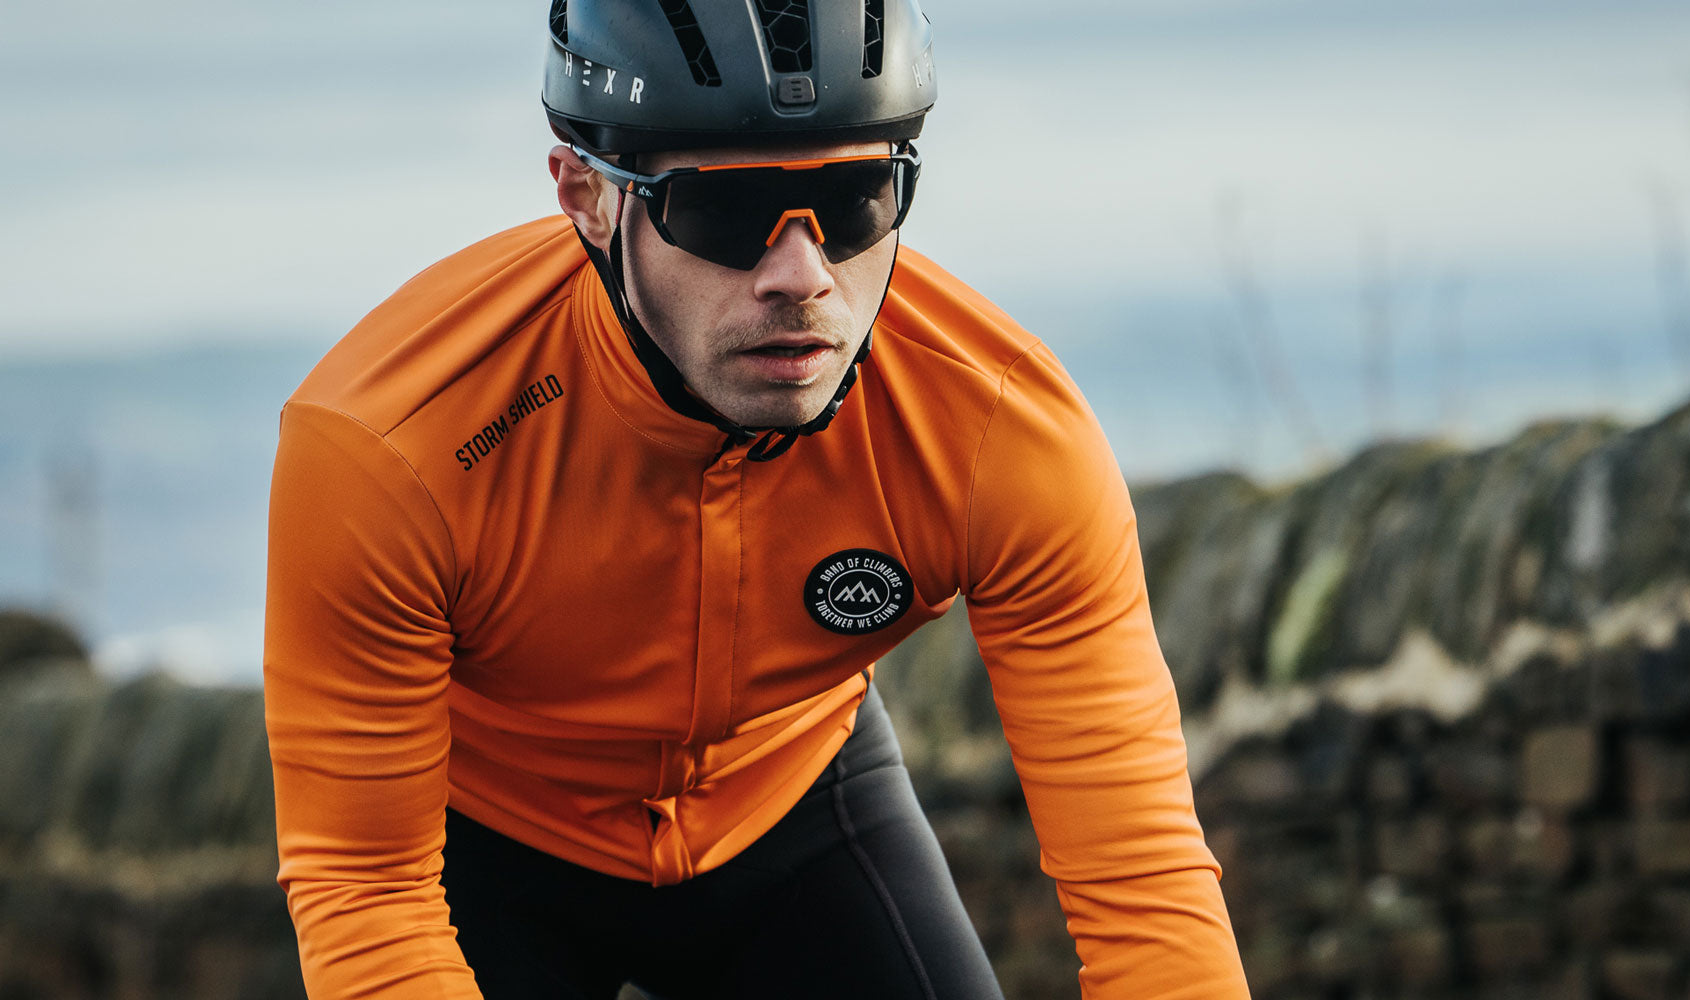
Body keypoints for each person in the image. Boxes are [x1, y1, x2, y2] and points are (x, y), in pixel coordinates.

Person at [262, 2, 1251, 997]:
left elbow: (1142, 880)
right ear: (587, 195)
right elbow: (366, 887)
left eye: (857, 198)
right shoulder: (392, 449)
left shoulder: (996, 430)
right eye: (725, 210)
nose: (802, 276)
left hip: (794, 798)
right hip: (485, 839)